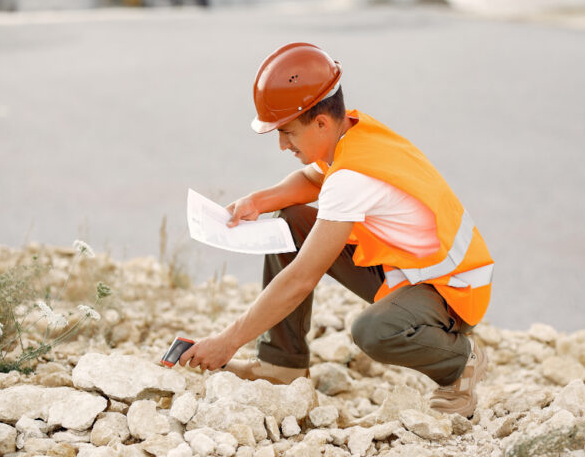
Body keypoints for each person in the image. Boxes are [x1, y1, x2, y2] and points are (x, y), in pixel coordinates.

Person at [179, 42, 494, 418]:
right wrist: (258, 201)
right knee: (292, 220)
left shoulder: (352, 177)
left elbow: (300, 278)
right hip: (407, 272)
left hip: (452, 290)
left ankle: (460, 363)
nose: (282, 145)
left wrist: (226, 343)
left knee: (375, 331)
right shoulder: (354, 132)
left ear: (321, 123)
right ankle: (282, 366)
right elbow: (311, 179)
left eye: (287, 133)